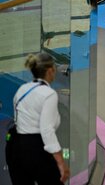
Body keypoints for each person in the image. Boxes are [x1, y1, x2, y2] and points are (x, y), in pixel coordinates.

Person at [5, 53, 70, 185]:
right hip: (35, 148)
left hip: (15, 147)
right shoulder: (49, 94)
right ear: (50, 70)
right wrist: (61, 163)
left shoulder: (22, 89)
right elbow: (47, 130)